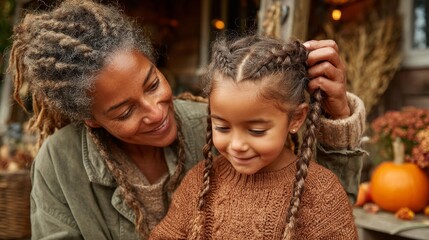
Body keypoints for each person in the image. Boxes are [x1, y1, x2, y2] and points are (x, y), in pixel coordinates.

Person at [8, 0, 365, 239]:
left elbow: (318, 196)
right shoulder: (60, 163)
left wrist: (336, 116)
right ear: (92, 119)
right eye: (125, 111)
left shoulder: (214, 124)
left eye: (152, 83)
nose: (155, 111)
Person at [150, 36, 358, 239]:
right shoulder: (200, 182)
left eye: (256, 131)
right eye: (222, 127)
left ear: (296, 118)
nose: (237, 145)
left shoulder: (322, 192)